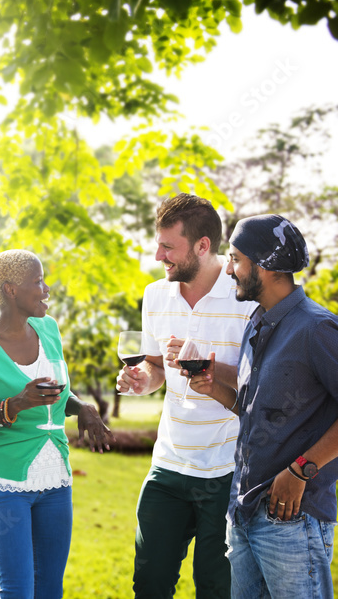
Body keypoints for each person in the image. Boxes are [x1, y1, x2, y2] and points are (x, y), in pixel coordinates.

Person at [188, 214, 338, 598]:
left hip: (294, 520)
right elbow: (259, 410)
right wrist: (216, 391)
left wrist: (302, 470)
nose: (229, 270)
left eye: (236, 259)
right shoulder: (257, 322)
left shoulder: (316, 329)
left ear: (265, 266)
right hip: (244, 512)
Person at [116, 193, 257, 598]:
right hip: (170, 465)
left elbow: (262, 378)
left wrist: (205, 365)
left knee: (216, 587)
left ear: (202, 245)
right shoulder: (157, 295)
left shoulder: (244, 297)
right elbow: (157, 365)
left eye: (168, 246)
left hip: (228, 469)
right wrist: (144, 379)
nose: (159, 255)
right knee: (150, 584)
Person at [0, 249, 112, 599]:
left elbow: (55, 393)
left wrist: (81, 406)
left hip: (56, 479)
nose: (47, 290)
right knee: (18, 592)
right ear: (10, 290)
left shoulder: (48, 328)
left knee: (49, 591)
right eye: (38, 282)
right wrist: (17, 404)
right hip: (2, 485)